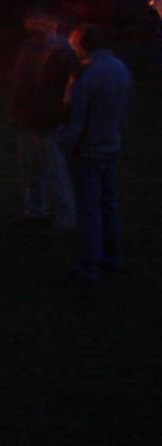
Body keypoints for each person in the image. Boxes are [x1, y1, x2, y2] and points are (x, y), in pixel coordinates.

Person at [60, 25, 132, 282]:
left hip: (87, 151)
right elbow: (124, 111)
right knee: (109, 204)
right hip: (111, 146)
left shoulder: (86, 75)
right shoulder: (120, 69)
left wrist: (66, 144)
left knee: (89, 208)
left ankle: (90, 264)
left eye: (75, 47)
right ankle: (113, 256)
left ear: (82, 46)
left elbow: (76, 120)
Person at [12, 13, 78, 234]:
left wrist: (59, 114)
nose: (35, 37)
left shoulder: (64, 56)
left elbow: (66, 90)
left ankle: (65, 217)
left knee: (55, 170)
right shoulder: (29, 53)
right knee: (31, 169)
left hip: (49, 121)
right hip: (29, 119)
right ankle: (35, 210)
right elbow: (20, 84)